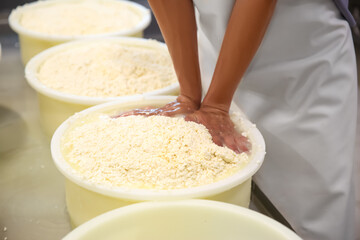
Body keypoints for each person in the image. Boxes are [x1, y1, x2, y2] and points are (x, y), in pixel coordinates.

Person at [122, 0, 358, 239]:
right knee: (230, 211)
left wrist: (215, 105)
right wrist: (189, 94)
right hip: (217, 52)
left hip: (301, 66)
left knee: (313, 211)